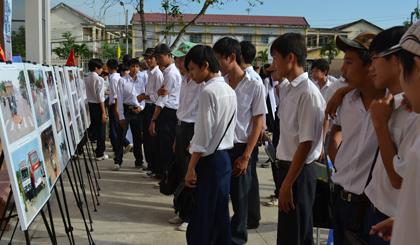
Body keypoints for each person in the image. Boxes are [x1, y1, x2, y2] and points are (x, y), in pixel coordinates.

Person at [328, 32, 385, 245]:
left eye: (349, 62)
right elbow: (335, 133)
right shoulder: (346, 100)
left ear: (372, 66)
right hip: (341, 197)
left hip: (372, 207)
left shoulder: (395, 106)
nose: (342, 69)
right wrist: (340, 161)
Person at [271, 33, 325, 244]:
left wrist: (287, 184)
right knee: (290, 235)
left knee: (296, 236)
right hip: (288, 170)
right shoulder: (289, 88)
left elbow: (306, 142)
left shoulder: (307, 93)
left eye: (275, 58)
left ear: (290, 58)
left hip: (298, 174)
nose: (272, 63)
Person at [369, 21, 420, 244]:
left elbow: (398, 178)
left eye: (374, 59)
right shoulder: (390, 104)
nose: (370, 67)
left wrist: (380, 125)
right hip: (382, 215)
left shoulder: (413, 116)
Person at [213, 37, 267, 245]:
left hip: (243, 150)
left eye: (219, 59)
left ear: (232, 57)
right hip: (220, 150)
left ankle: (236, 240)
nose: (217, 64)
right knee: (219, 197)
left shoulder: (255, 85)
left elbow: (257, 123)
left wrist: (246, 156)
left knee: (240, 200)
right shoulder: (218, 83)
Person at [184, 45, 237, 245]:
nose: (190, 74)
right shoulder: (228, 89)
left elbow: (203, 136)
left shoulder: (208, 91)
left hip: (209, 160)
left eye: (192, 68)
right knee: (220, 214)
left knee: (202, 217)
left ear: (205, 65)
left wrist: (190, 168)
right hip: (223, 159)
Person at [161, 42, 204, 231]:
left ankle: (192, 215)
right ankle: (181, 210)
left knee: (191, 173)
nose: (178, 62)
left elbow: (201, 113)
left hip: (193, 128)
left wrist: (194, 140)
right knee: (180, 171)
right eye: (177, 59)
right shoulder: (184, 79)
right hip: (181, 127)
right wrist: (177, 139)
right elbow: (181, 108)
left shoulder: (200, 82)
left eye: (181, 59)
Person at [149, 43, 182, 179]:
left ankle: (168, 178)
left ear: (169, 56)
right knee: (162, 146)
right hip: (168, 111)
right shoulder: (167, 71)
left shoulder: (171, 74)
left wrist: (153, 120)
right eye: (157, 57)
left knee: (167, 147)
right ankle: (163, 175)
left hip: (169, 112)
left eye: (161, 57)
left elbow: (162, 100)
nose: (159, 60)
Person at [239, 40, 263, 229]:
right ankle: (249, 215)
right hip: (244, 137)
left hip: (248, 139)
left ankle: (251, 217)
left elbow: (258, 117)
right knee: (248, 179)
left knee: (250, 179)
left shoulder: (253, 80)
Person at [112, 58, 145, 171]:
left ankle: (139, 161)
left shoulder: (141, 81)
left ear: (139, 68)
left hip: (137, 111)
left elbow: (143, 98)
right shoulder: (123, 81)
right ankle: (118, 161)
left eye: (137, 66)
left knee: (137, 138)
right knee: (121, 137)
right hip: (126, 111)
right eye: (132, 66)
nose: (134, 69)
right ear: (129, 67)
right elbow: (120, 99)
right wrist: (121, 115)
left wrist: (141, 107)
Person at [137, 48, 164, 176]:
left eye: (151, 58)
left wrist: (145, 97)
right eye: (146, 58)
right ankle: (150, 165)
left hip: (154, 107)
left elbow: (159, 95)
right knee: (147, 139)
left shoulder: (158, 74)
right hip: (147, 107)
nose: (148, 60)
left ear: (156, 59)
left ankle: (155, 167)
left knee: (152, 138)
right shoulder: (149, 73)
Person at [107, 59, 133, 157]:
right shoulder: (120, 78)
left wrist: (116, 108)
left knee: (114, 128)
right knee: (117, 127)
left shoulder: (114, 79)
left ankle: (121, 146)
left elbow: (116, 95)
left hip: (115, 104)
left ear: (109, 68)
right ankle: (122, 145)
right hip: (119, 104)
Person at [85, 58, 108, 160]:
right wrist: (103, 112)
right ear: (95, 68)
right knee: (101, 131)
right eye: (100, 68)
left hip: (88, 105)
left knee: (88, 129)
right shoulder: (99, 79)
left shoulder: (85, 79)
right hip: (97, 106)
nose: (101, 70)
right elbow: (100, 97)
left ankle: (79, 150)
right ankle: (99, 153)